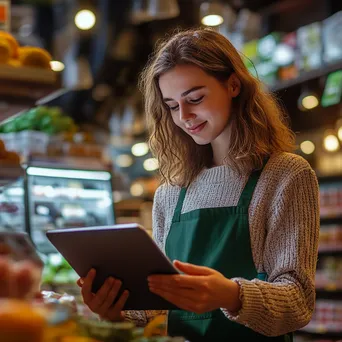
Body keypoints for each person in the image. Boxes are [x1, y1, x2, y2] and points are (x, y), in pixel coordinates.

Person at [78, 28, 320, 341]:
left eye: (195, 98)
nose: (185, 116)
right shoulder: (170, 192)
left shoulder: (286, 174)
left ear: (233, 85)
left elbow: (298, 301)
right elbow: (155, 309)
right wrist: (114, 310)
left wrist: (230, 295)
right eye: (172, 105)